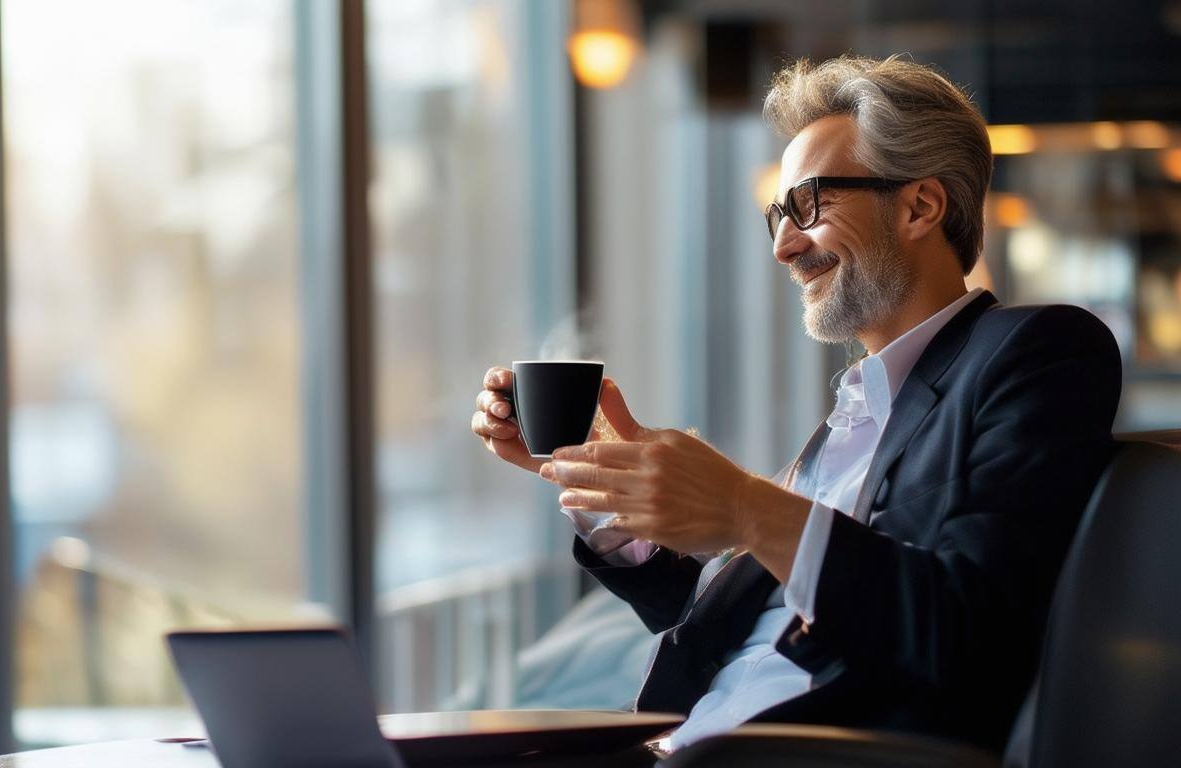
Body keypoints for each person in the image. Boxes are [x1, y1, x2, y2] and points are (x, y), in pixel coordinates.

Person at [470, 55, 1122, 753]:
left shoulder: (1034, 353)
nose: (783, 246)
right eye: (777, 214)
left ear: (920, 207)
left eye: (809, 204)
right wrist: (596, 477)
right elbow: (717, 622)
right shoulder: (856, 414)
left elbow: (970, 630)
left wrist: (747, 507)